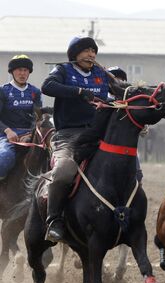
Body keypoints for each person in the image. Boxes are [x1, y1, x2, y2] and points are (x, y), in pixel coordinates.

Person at [41, 36, 109, 243]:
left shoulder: (101, 74)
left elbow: (118, 93)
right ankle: (54, 221)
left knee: (125, 164)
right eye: (86, 50)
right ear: (74, 54)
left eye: (94, 51)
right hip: (68, 136)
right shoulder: (62, 70)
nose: (91, 55)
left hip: (98, 134)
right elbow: (47, 87)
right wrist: (78, 91)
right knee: (63, 173)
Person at [0, 54, 42, 180]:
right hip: (6, 134)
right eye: (19, 70)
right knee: (4, 158)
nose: (22, 73)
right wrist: (7, 131)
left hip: (30, 134)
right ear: (12, 72)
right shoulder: (3, 91)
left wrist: (30, 134)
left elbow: (37, 118)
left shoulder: (35, 92)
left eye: (25, 70)